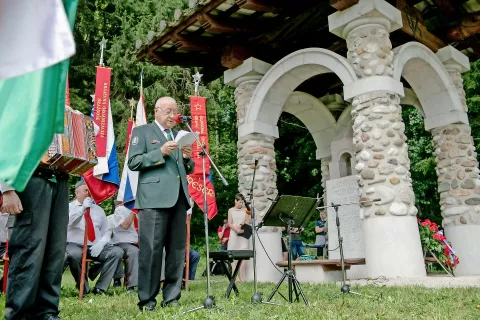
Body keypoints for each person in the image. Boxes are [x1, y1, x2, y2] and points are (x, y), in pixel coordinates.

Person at [128, 96, 194, 311]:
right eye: (167, 110)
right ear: (156, 111)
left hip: (179, 199)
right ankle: (147, 300)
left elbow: (188, 168)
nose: (172, 115)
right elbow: (134, 162)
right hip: (153, 199)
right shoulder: (142, 132)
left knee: (176, 251)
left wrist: (186, 158)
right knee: (151, 250)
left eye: (175, 111)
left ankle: (172, 298)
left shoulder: (179, 135)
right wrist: (160, 152)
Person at [1, 165, 69, 320]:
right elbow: (5, 143)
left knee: (55, 252)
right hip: (30, 179)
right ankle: (19, 314)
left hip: (60, 180)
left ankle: (47, 312)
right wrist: (7, 187)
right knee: (28, 251)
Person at [65, 180, 123, 295]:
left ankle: (100, 288)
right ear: (77, 193)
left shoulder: (98, 210)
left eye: (90, 190)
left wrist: (101, 243)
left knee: (117, 252)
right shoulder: (69, 207)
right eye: (86, 190)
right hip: (74, 244)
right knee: (74, 255)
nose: (89, 193)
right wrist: (82, 209)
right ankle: (84, 288)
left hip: (94, 246)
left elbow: (106, 231)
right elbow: (68, 222)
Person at [111, 203, 139, 293]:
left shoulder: (145, 210)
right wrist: (133, 212)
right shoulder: (120, 209)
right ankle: (131, 286)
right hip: (124, 242)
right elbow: (125, 226)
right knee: (134, 251)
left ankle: (158, 284)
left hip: (141, 241)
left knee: (159, 250)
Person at [227, 193, 251, 281]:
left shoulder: (245, 210)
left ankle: (242, 275)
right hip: (234, 233)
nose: (241, 204)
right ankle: (235, 275)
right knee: (232, 253)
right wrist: (235, 228)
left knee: (244, 253)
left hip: (243, 233)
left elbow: (247, 221)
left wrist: (242, 226)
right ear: (235, 201)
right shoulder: (230, 210)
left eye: (242, 202)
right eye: (239, 202)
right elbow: (229, 223)